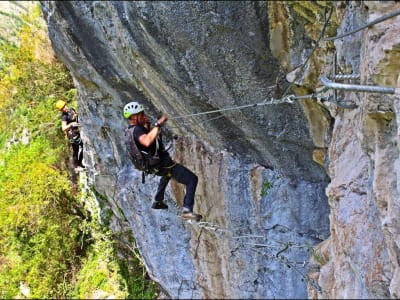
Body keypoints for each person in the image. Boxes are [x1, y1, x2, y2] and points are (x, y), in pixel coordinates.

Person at [123, 101, 202, 221]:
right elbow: (146, 141)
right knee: (191, 179)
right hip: (160, 164)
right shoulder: (137, 130)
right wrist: (158, 125)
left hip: (152, 166)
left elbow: (146, 144)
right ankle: (187, 210)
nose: (144, 116)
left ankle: (158, 200)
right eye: (141, 114)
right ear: (135, 116)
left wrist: (149, 128)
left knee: (167, 173)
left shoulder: (130, 131)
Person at [55, 100, 85, 172]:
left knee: (83, 146)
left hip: (77, 132)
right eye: (62, 109)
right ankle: (76, 166)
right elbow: (63, 128)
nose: (64, 109)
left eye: (64, 107)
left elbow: (76, 115)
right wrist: (71, 125)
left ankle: (80, 163)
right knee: (76, 150)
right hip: (72, 135)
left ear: (66, 104)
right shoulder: (64, 117)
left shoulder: (72, 110)